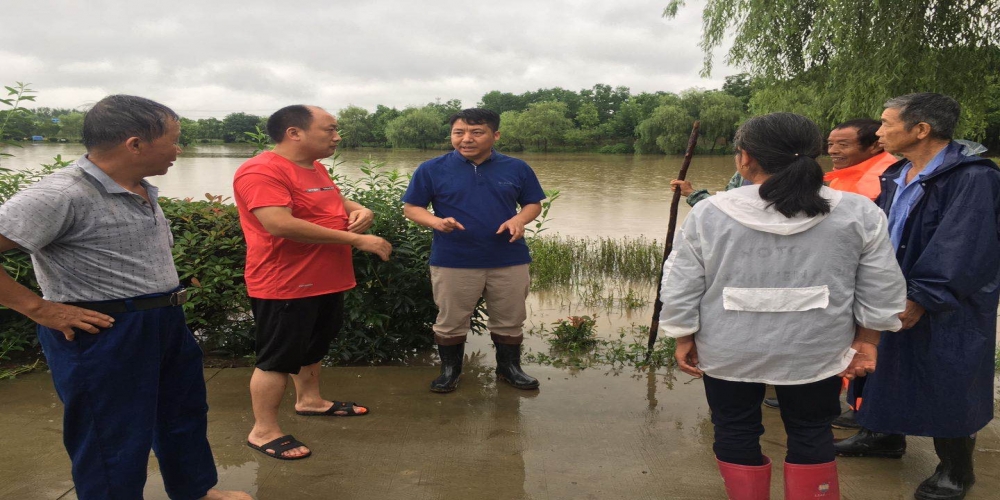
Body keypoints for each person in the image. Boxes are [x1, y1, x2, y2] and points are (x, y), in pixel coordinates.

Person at [0, 95, 250, 500]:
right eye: (174, 139)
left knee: (181, 415)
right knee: (109, 436)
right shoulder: (60, 194)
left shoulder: (140, 188)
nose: (179, 150)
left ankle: (195, 492)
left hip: (164, 322)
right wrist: (39, 309)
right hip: (104, 332)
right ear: (135, 144)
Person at [658, 112, 906, 499]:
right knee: (812, 430)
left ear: (745, 158)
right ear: (813, 155)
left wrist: (682, 333)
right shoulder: (857, 212)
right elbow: (881, 284)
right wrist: (869, 338)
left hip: (729, 347)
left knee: (735, 429)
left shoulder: (711, 212)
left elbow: (683, 281)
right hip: (816, 346)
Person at [834, 93, 1000, 500]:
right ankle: (884, 437)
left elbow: (964, 245)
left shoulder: (973, 177)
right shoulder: (900, 173)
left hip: (948, 299)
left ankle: (955, 471)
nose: (880, 131)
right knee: (886, 366)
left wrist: (923, 296)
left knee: (949, 377)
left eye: (888, 123)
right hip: (895, 288)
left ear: (921, 129)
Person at [233, 105, 392, 460]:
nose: (337, 136)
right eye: (330, 129)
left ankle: (310, 400)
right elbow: (279, 223)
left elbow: (330, 199)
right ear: (295, 133)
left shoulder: (314, 166)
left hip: (325, 280)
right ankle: (264, 430)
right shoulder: (261, 170)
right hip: (285, 283)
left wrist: (360, 208)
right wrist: (356, 240)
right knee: (276, 358)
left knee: (314, 345)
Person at [402, 108, 545, 393]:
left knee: (510, 318)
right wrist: (436, 221)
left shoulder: (517, 168)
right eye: (459, 133)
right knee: (451, 320)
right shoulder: (431, 169)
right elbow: (411, 208)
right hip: (454, 259)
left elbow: (533, 203)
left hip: (509, 258)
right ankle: (450, 371)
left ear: (495, 135)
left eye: (476, 132)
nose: (466, 139)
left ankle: (509, 369)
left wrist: (519, 219)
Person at [824, 118, 898, 200]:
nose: (832, 151)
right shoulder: (841, 176)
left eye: (843, 145)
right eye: (830, 144)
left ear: (875, 146)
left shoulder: (887, 180)